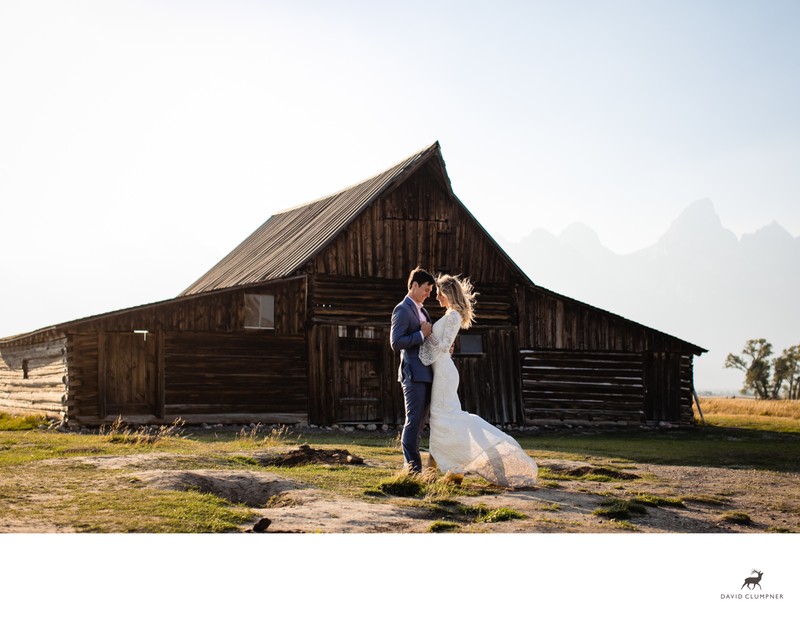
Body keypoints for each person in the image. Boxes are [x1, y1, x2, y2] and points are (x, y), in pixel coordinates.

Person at [419, 274, 538, 488]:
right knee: (442, 420)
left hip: (445, 375)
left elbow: (444, 345)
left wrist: (426, 334)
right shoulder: (449, 315)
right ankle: (450, 471)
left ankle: (438, 470)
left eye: (438, 293)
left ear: (447, 293)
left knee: (443, 419)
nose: (436, 298)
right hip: (442, 372)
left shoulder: (454, 315)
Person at [390, 267, 435, 473]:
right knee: (413, 420)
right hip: (413, 373)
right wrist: (420, 334)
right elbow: (396, 342)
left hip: (427, 373)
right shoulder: (402, 309)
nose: (429, 294)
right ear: (414, 285)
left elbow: (427, 339)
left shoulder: (423, 310)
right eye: (426, 289)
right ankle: (412, 468)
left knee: (420, 424)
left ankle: (415, 467)